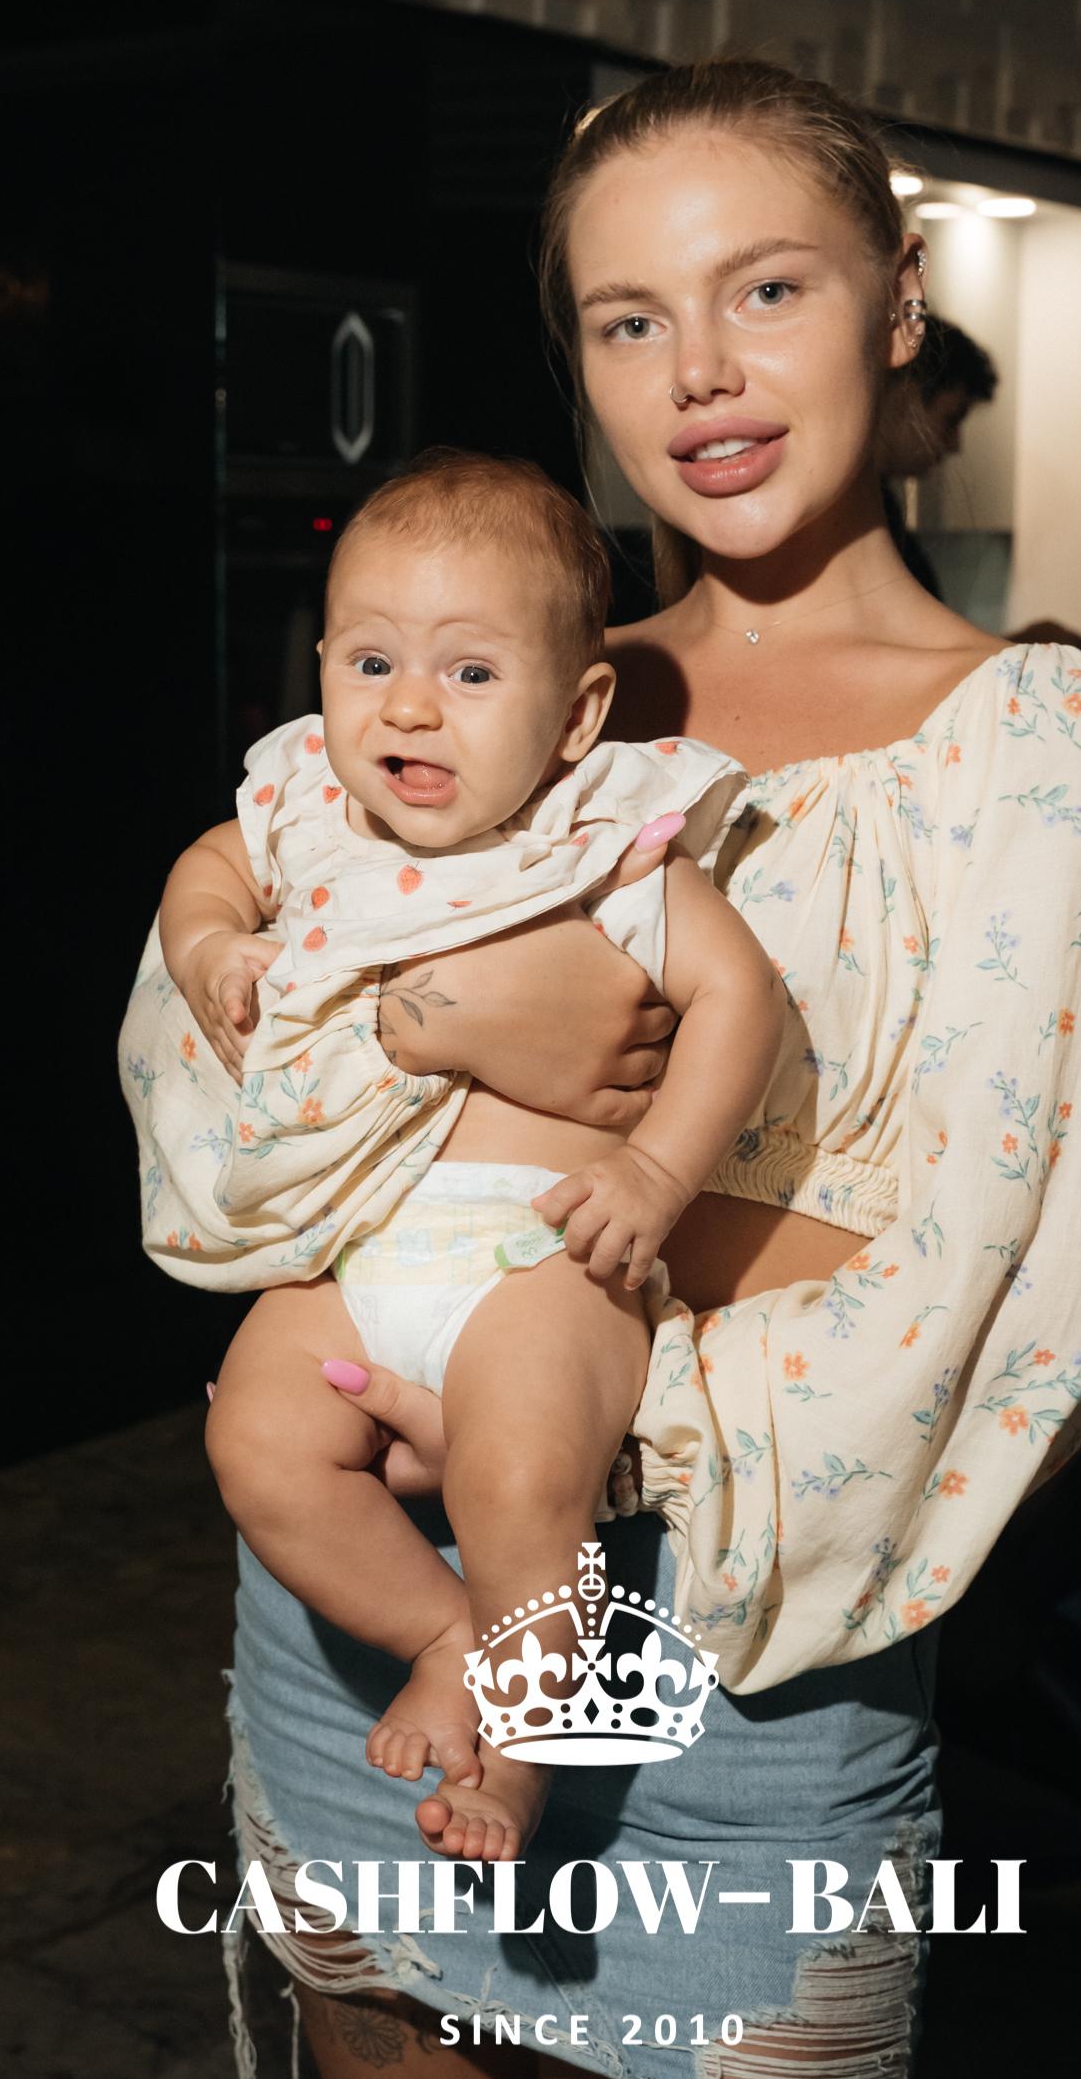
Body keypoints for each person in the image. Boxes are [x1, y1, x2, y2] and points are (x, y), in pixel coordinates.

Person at [208, 59, 1081, 2079]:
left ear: (896, 300)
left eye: (767, 289)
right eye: (628, 317)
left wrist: (534, 1349)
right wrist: (440, 1026)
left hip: (743, 1679)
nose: (702, 375)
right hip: (365, 1647)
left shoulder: (1029, 736)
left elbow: (1039, 1287)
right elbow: (214, 1113)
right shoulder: (492, 674)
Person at [122, 449, 783, 1863]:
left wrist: (656, 1173)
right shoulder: (304, 809)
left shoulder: (600, 843)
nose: (408, 706)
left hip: (539, 1257)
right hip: (358, 1250)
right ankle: (445, 1635)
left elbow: (741, 1000)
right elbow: (205, 870)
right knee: (256, 1440)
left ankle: (530, 1747)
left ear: (575, 711)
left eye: (470, 672)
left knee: (519, 1474)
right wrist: (211, 942)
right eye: (369, 662)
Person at [876, 315, 998, 600]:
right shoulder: (856, 521)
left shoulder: (881, 512)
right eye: (951, 419)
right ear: (904, 395)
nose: (955, 445)